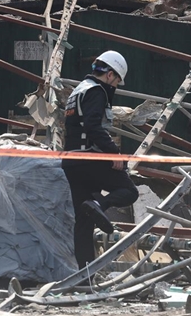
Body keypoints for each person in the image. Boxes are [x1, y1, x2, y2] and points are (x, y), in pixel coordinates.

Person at [61, 50, 139, 269]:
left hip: (72, 162)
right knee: (129, 191)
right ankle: (98, 204)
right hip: (89, 160)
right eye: (116, 82)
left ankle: (85, 277)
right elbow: (94, 127)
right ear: (111, 75)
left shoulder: (78, 91)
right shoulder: (96, 92)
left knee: (83, 222)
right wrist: (114, 154)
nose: (114, 87)